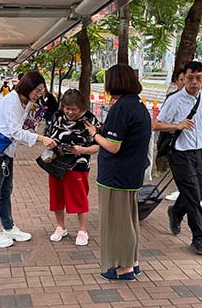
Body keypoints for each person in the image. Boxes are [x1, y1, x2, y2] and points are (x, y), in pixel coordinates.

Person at [86, 64, 151, 280]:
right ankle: (132, 261)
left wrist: (95, 134)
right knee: (128, 220)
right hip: (131, 174)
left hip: (116, 176)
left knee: (117, 223)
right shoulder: (138, 106)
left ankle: (124, 268)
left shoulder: (121, 108)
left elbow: (113, 146)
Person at [0, 71, 57, 248]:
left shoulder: (25, 102)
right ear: (28, 86)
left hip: (6, 150)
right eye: (37, 91)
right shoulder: (12, 101)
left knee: (5, 191)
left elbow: (18, 129)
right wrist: (41, 138)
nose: (39, 95)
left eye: (41, 91)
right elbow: (15, 131)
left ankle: (8, 227)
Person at [154, 61, 202, 255]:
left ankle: (176, 211)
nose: (194, 83)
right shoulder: (175, 100)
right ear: (184, 78)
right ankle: (198, 238)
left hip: (199, 151)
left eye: (199, 78)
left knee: (197, 192)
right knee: (193, 196)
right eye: (190, 78)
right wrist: (177, 126)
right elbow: (156, 124)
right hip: (181, 153)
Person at [46, 89, 100, 246]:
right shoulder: (57, 116)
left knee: (79, 197)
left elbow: (100, 145)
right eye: (66, 108)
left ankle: (83, 230)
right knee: (56, 196)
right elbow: (48, 134)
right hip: (56, 162)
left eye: (73, 109)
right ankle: (60, 227)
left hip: (78, 164)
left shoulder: (90, 120)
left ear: (82, 107)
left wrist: (83, 150)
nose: (69, 112)